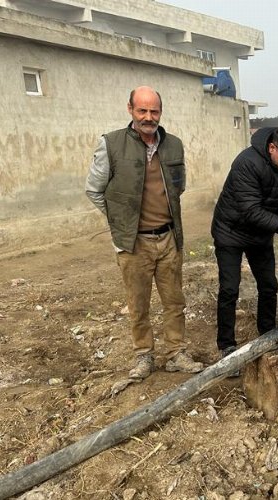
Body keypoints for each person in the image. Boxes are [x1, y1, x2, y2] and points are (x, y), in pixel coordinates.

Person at [85, 86, 203, 380]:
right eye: (142, 111)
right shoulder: (111, 144)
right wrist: (121, 222)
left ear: (160, 113)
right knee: (138, 304)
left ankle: (176, 353)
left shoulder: (173, 145)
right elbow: (94, 190)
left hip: (168, 239)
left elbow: (179, 186)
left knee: (175, 302)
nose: (149, 117)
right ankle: (144, 356)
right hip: (134, 243)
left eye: (154, 111)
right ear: (130, 110)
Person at [211, 126, 278, 360]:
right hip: (231, 231)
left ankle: (267, 333)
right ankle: (226, 346)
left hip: (260, 234)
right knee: (230, 288)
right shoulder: (246, 163)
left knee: (269, 285)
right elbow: (251, 210)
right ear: (272, 148)